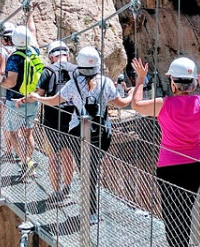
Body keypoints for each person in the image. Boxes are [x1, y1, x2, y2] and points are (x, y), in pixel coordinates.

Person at [131, 56, 200, 247]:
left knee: (172, 213)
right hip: (196, 164)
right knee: (185, 210)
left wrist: (141, 80)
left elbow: (136, 105)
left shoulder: (164, 104)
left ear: (173, 83)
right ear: (192, 83)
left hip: (169, 166)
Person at [27, 46, 131, 223]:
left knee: (86, 170)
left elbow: (53, 101)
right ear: (97, 65)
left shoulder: (73, 83)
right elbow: (121, 104)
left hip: (78, 132)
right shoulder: (105, 82)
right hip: (102, 133)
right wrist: (135, 92)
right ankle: (91, 207)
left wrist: (36, 97)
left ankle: (90, 211)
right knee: (91, 169)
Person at [35, 40, 78, 203]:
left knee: (53, 157)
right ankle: (67, 188)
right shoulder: (77, 71)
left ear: (52, 57)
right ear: (67, 54)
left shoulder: (48, 70)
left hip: (51, 119)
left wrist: (30, 97)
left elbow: (40, 93)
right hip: (73, 119)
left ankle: (56, 191)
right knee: (68, 155)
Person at [0, 26, 42, 175]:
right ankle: (28, 162)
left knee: (12, 133)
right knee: (28, 134)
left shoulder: (14, 57)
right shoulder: (35, 52)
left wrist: (0, 82)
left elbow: (11, 82)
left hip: (15, 101)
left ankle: (26, 161)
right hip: (32, 99)